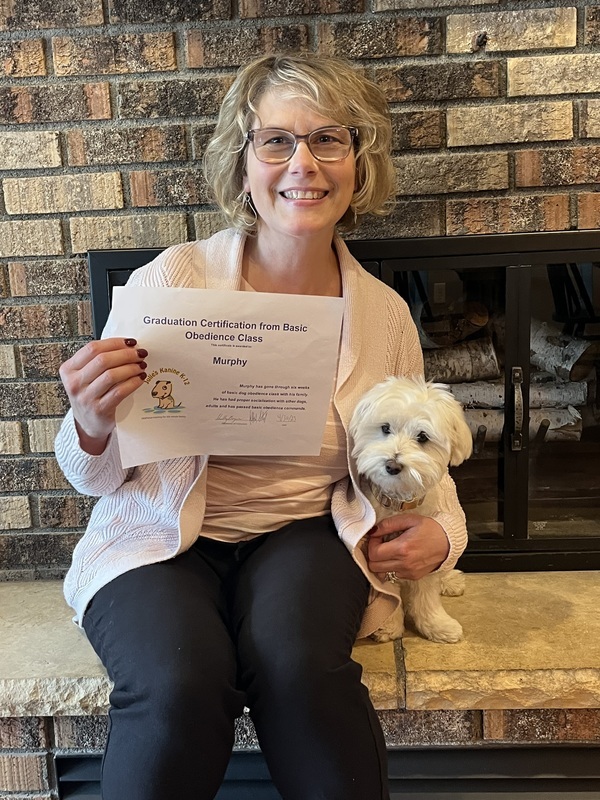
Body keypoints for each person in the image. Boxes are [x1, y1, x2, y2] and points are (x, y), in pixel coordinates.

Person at [56, 53, 468, 800]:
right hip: (157, 532)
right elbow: (93, 477)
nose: (302, 163)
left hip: (305, 530)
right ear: (242, 163)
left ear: (359, 163)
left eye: (328, 139)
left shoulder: (383, 314)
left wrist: (446, 536)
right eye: (276, 140)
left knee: (300, 667)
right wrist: (89, 422)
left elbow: (421, 452)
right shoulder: (170, 280)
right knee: (177, 681)